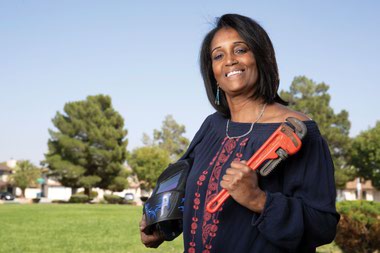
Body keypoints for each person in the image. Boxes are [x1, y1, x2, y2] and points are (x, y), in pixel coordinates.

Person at [140, 13, 339, 253]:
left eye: (241, 50)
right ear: (212, 73)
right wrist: (159, 225)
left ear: (261, 58)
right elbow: (185, 187)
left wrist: (258, 200)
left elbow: (323, 225)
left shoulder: (299, 131)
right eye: (218, 55)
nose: (230, 61)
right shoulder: (212, 127)